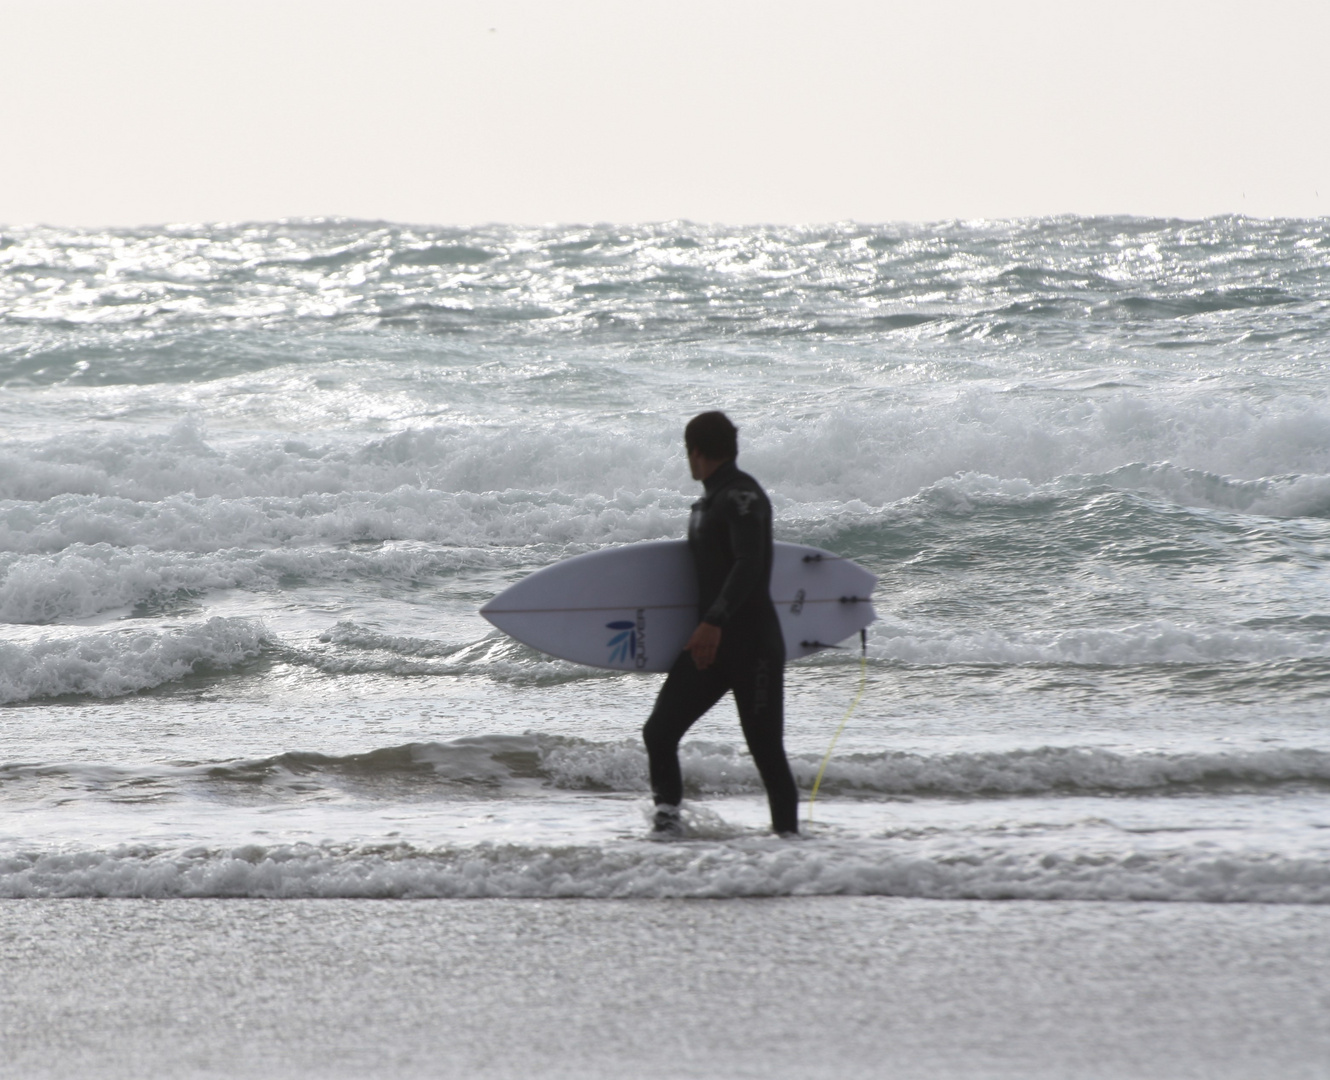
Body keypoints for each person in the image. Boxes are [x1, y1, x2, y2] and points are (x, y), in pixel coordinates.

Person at [642, 411, 799, 837]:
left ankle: (791, 847)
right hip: (711, 647)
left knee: (767, 754)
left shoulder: (742, 497)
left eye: (687, 452)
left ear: (696, 451)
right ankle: (667, 828)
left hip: (751, 647)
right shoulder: (708, 503)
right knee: (659, 731)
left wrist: (714, 620)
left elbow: (751, 563)